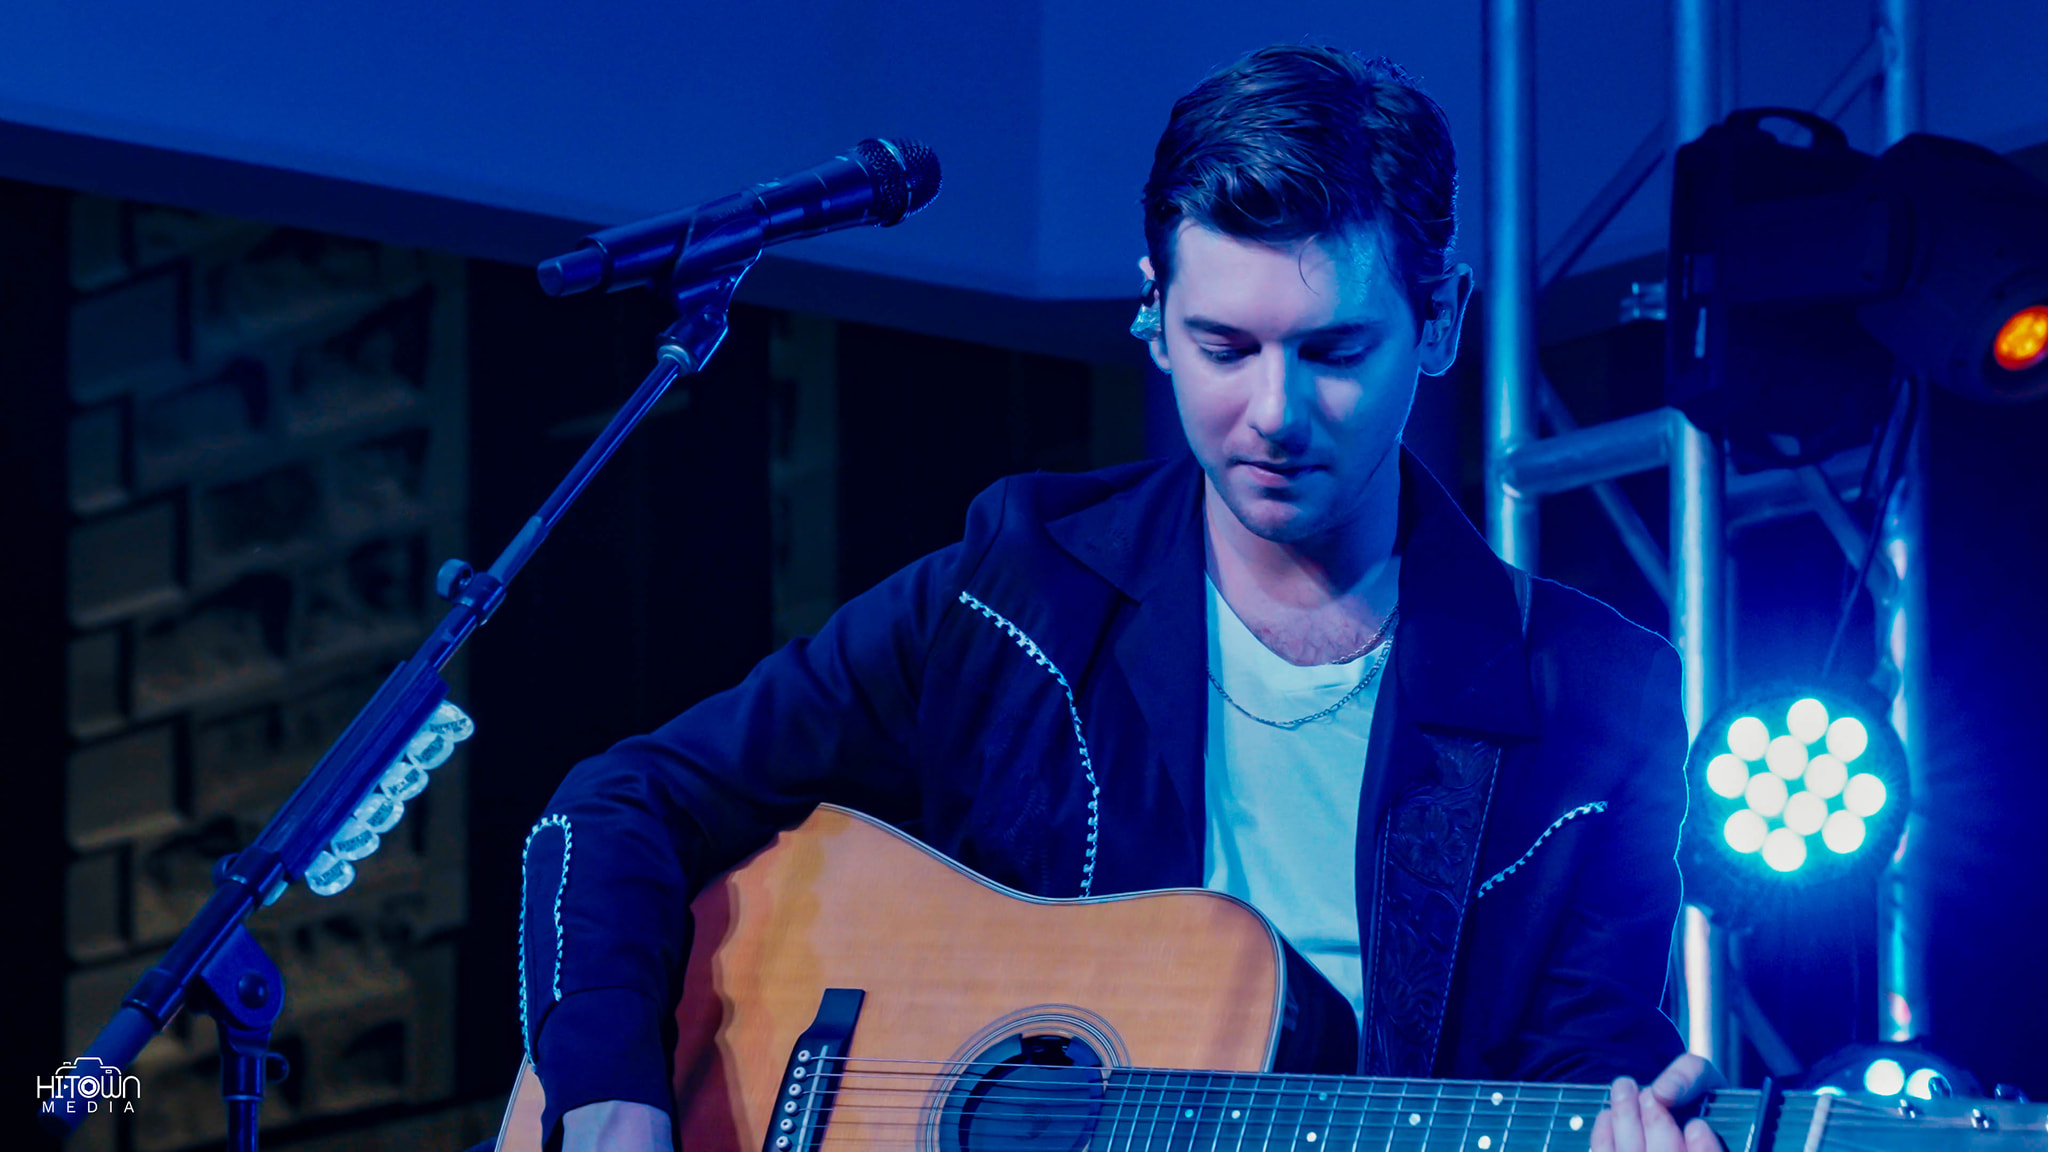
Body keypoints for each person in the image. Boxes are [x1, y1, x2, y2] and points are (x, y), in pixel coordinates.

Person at [524, 44, 1718, 1152]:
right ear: (1152, 314)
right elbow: (622, 806)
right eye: (1224, 347)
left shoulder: (1592, 695)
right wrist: (610, 1094)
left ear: (1440, 321)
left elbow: (1584, 1065)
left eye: (1334, 353)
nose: (1274, 414)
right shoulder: (1018, 589)